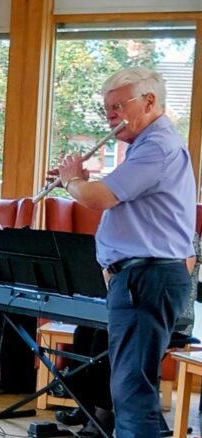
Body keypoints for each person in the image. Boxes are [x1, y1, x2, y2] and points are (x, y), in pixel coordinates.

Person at [54, 66, 195, 437]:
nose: (111, 116)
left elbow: (100, 197)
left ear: (149, 101)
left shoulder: (157, 146)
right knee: (130, 388)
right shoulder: (144, 148)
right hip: (140, 277)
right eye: (107, 109)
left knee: (131, 392)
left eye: (118, 106)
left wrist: (73, 180)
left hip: (148, 277)